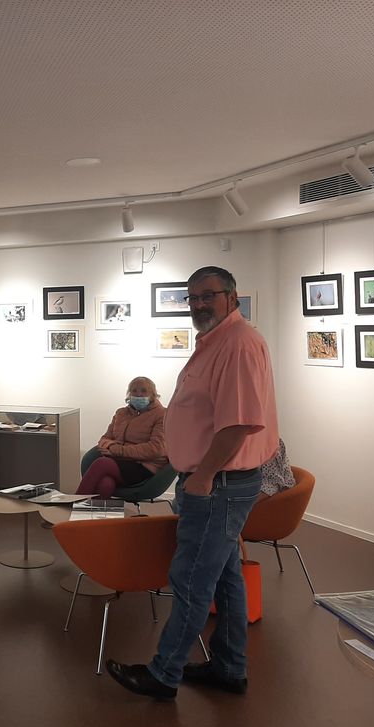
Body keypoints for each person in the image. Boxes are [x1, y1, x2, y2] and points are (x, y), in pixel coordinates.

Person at [107, 266, 278, 701]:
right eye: (193, 297)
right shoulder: (217, 342)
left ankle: (164, 674)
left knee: (190, 582)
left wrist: (201, 477)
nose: (199, 304)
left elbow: (239, 423)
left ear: (232, 296)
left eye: (209, 295)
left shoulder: (237, 345)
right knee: (225, 578)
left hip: (216, 483)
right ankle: (229, 667)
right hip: (215, 481)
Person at [75, 376, 167, 499]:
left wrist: (117, 450)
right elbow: (105, 438)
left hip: (144, 467)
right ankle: (91, 516)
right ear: (129, 394)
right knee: (106, 484)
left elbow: (156, 449)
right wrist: (111, 445)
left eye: (144, 390)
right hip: (121, 462)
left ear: (153, 394)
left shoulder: (162, 415)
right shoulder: (121, 413)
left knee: (102, 463)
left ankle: (73, 505)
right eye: (134, 390)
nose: (138, 394)